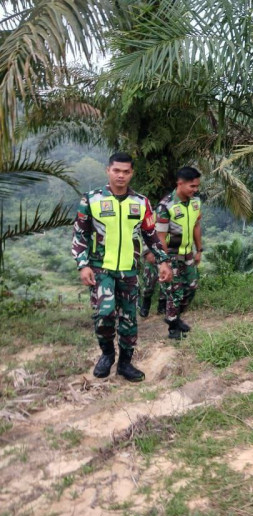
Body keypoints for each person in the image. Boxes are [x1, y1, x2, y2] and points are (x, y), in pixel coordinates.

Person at [72, 152, 173, 382]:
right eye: (116, 170)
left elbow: (151, 234)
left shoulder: (141, 202)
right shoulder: (91, 199)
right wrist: (83, 265)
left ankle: (125, 364)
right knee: (104, 314)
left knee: (129, 320)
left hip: (129, 270)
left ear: (131, 174)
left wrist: (163, 261)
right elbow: (80, 234)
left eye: (126, 171)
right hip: (100, 268)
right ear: (108, 170)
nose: (121, 175)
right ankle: (107, 354)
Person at [155, 167, 203, 339]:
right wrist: (164, 262)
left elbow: (196, 226)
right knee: (174, 292)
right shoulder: (166, 206)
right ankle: (173, 328)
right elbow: (160, 237)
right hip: (171, 254)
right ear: (180, 183)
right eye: (192, 186)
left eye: (197, 186)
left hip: (188, 253)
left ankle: (174, 318)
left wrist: (199, 250)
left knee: (191, 287)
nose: (195, 190)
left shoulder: (196, 202)